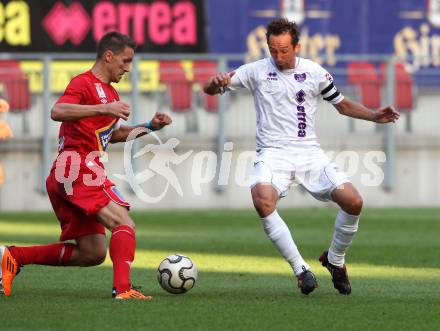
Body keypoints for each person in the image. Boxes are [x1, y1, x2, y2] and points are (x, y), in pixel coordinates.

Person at [203, 18, 399, 295]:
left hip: (310, 154)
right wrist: (214, 83)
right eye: (273, 50)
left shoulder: (315, 72)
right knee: (262, 200)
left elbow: (342, 105)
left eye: (284, 50)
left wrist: (374, 115)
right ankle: (301, 270)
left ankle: (335, 260)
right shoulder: (256, 71)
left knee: (354, 201)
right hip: (273, 154)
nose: (279, 56)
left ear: (297, 46)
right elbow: (211, 89)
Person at [0, 32, 172, 300]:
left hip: (70, 174)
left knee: (92, 253)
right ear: (108, 56)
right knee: (123, 222)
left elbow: (111, 135)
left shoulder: (110, 93)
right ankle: (123, 290)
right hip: (77, 169)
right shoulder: (83, 83)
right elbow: (58, 111)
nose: (128, 68)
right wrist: (102, 109)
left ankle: (13, 255)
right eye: (125, 61)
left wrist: (150, 126)